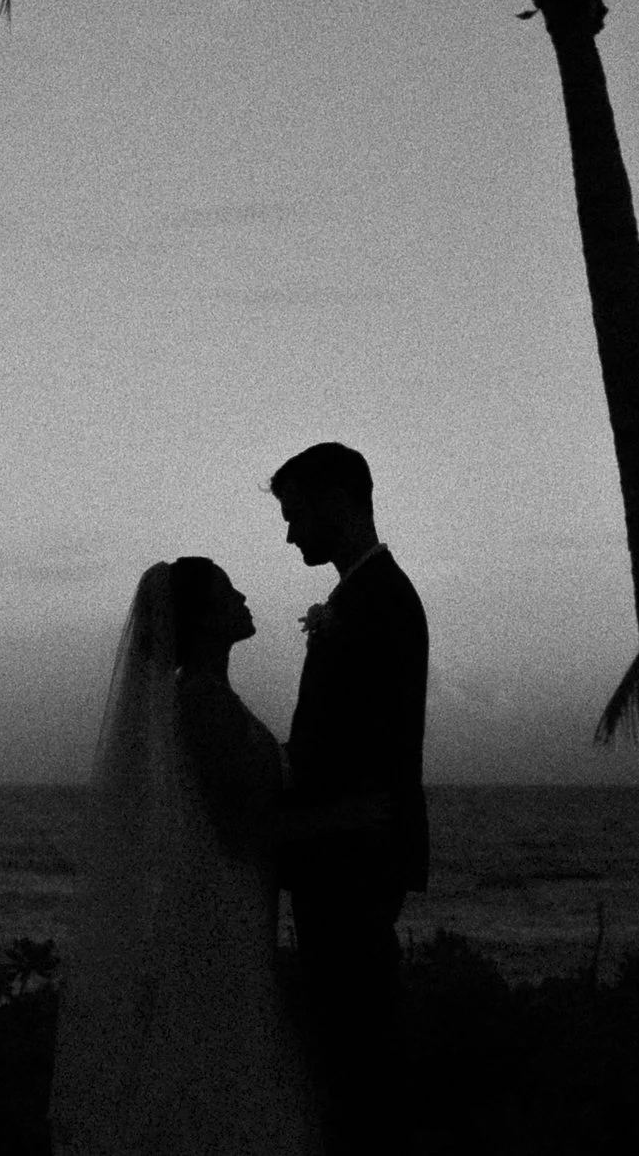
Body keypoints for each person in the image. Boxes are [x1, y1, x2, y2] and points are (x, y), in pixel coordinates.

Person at [50, 557, 315, 1156]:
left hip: (230, 901)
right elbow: (239, 825)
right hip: (220, 910)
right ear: (200, 620)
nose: (242, 596)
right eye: (227, 591)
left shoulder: (210, 697)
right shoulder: (199, 701)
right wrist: (348, 820)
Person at [272, 442, 428, 1156]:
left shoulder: (378, 602)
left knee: (358, 1064)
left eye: (294, 513)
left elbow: (362, 746)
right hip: (343, 854)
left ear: (336, 502)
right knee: (351, 1056)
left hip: (351, 858)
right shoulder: (361, 597)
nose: (289, 534)